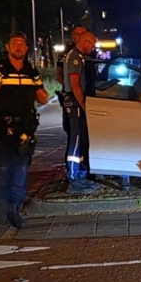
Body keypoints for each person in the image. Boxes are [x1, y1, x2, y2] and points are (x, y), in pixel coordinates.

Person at [0, 32, 49, 228]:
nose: (19, 47)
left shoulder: (31, 71)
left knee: (21, 168)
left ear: (27, 48)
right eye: (15, 43)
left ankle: (15, 210)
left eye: (22, 44)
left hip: (25, 128)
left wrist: (38, 90)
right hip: (2, 127)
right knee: (4, 169)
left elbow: (43, 98)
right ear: (7, 47)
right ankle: (0, 212)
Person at [61, 30, 99, 193]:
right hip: (74, 101)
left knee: (80, 138)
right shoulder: (75, 57)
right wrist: (83, 106)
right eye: (92, 45)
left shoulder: (78, 56)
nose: (92, 48)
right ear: (85, 42)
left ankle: (79, 175)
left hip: (75, 100)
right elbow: (75, 84)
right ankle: (73, 176)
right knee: (75, 140)